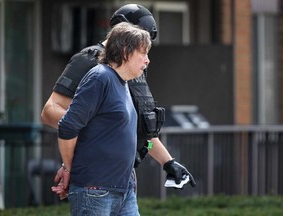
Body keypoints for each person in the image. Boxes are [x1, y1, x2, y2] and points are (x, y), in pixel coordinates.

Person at [41, 4, 195, 200]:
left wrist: (168, 162)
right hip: (96, 176)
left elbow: (137, 127)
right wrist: (98, 129)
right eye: (140, 43)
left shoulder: (134, 68)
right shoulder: (89, 61)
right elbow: (49, 112)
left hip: (125, 176)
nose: (146, 55)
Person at [58, 22, 151, 215]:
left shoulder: (122, 82)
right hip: (95, 191)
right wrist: (68, 169)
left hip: (124, 191)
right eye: (144, 53)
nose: (147, 60)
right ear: (126, 51)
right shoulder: (100, 77)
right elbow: (67, 127)